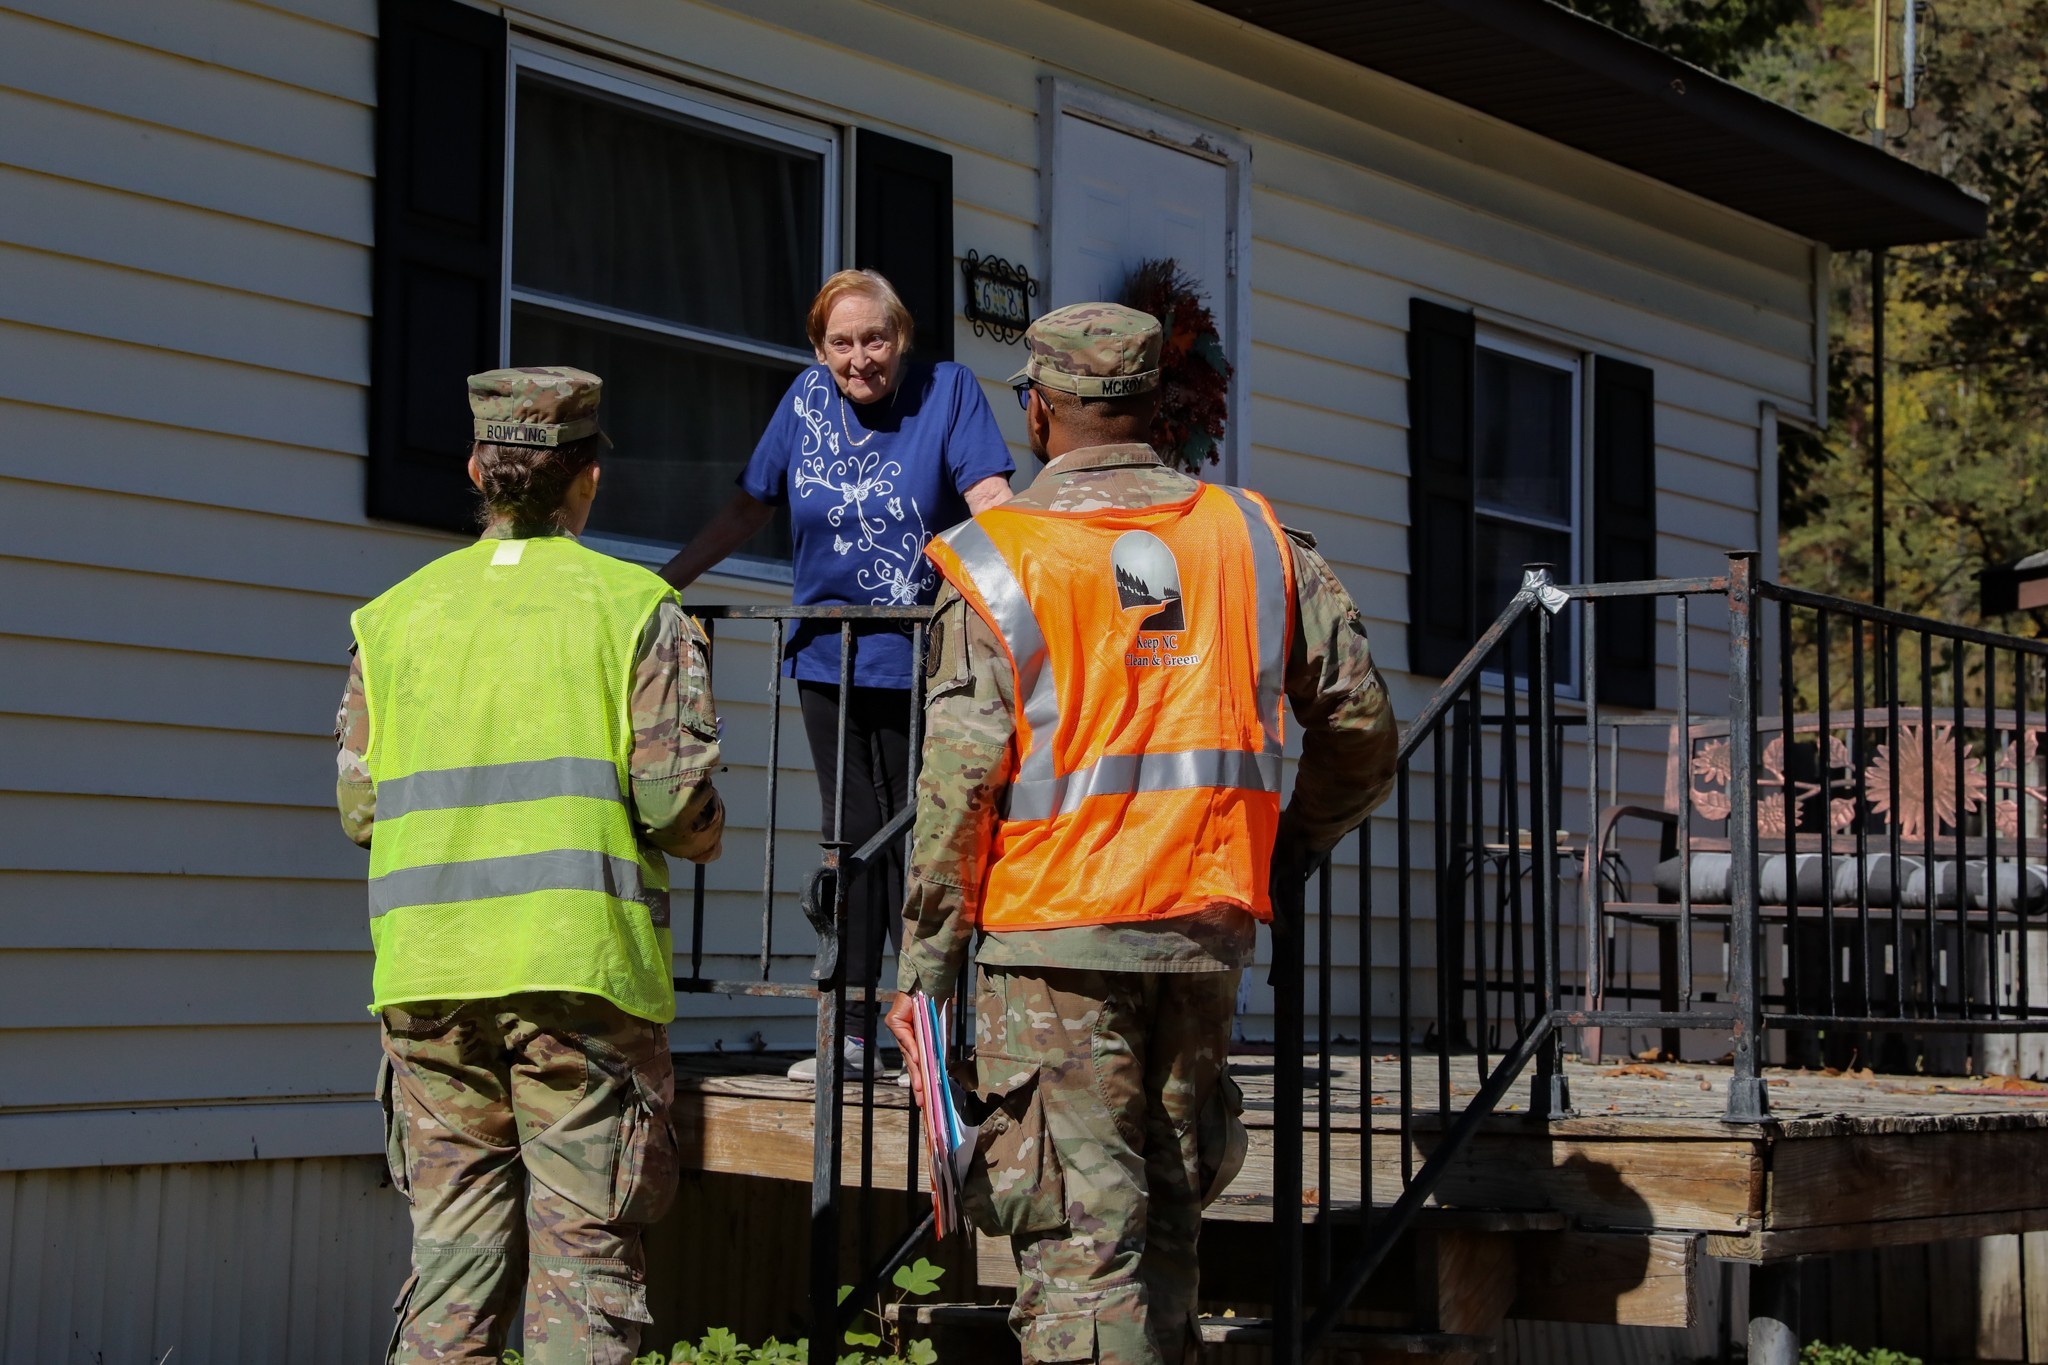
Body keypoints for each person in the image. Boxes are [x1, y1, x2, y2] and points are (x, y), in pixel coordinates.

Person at [885, 304, 1398, 1365]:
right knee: (1167, 1227)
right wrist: (1287, 852)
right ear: (1152, 405)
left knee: (1084, 1249)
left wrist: (922, 974)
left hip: (1051, 945)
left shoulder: (996, 557)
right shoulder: (1254, 540)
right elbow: (1359, 726)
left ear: (1037, 409)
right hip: (1198, 930)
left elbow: (955, 790)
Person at [335, 366, 725, 1365]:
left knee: (451, 1272)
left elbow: (359, 810)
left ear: (476, 467)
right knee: (584, 1282)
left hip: (427, 978)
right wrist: (705, 829)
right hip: (578, 975)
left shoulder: (389, 621)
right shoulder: (637, 608)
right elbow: (673, 806)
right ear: (587, 478)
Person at [660, 268, 1014, 1081]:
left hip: (923, 657)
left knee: (918, 840)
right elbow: (753, 505)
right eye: (843, 343)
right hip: (829, 658)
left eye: (876, 338)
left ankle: (923, 1022)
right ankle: (851, 1027)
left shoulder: (947, 392)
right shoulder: (804, 402)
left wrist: (1049, 582)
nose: (862, 358)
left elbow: (990, 498)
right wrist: (668, 578)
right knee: (849, 837)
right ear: (820, 350)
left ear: (903, 336)